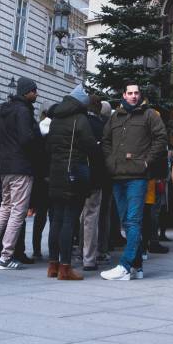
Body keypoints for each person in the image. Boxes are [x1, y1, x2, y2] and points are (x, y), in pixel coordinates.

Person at [100, 82, 166, 281]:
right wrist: (110, 162)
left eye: (136, 93)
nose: (133, 96)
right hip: (118, 176)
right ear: (124, 95)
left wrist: (146, 162)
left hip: (137, 177)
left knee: (133, 220)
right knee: (126, 222)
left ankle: (125, 265)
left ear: (140, 95)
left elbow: (161, 138)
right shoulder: (115, 116)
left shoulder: (149, 115)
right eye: (130, 93)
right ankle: (137, 266)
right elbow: (106, 141)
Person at [0, 77, 42, 270]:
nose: (36, 94)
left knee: (4, 209)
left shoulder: (4, 111)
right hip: (21, 167)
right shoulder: (23, 111)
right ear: (26, 92)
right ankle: (6, 256)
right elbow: (27, 139)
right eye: (34, 90)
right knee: (17, 212)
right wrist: (38, 147)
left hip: (5, 167)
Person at [42, 82, 99, 280]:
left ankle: (53, 265)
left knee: (56, 219)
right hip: (73, 174)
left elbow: (48, 146)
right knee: (69, 220)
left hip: (56, 173)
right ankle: (66, 268)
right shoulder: (80, 119)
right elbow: (91, 146)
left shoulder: (56, 118)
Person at [77, 99, 111, 270]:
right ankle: (89, 257)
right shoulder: (102, 127)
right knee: (92, 216)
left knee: (81, 215)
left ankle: (78, 251)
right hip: (96, 177)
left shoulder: (78, 123)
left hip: (77, 176)